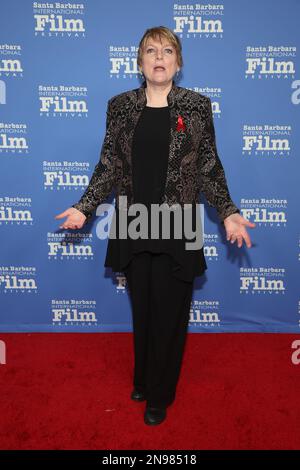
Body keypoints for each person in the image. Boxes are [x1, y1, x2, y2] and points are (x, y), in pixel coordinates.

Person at [55, 26, 256, 426]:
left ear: (178, 63)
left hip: (176, 223)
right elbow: (109, 164)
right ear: (140, 62)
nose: (159, 56)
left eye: (167, 50)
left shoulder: (197, 107)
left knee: (170, 312)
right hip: (133, 221)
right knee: (143, 308)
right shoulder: (120, 106)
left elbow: (207, 167)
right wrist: (86, 204)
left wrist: (229, 210)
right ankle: (144, 378)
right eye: (150, 50)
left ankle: (160, 394)